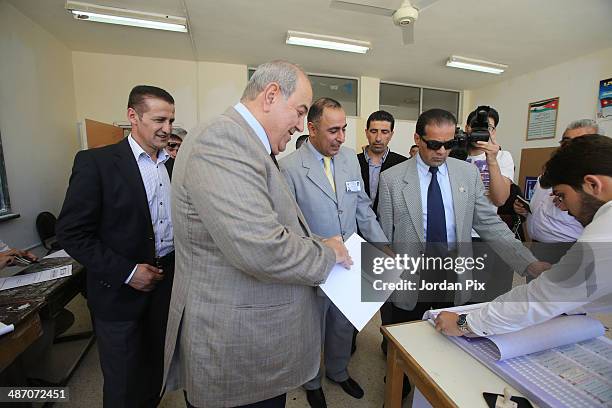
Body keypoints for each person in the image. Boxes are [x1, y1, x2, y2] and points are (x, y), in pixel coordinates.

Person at [163, 60, 352, 408]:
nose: (299, 125)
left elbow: (267, 225)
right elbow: (261, 248)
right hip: (236, 351)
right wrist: (328, 254)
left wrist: (317, 242)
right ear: (270, 95)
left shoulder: (246, 143)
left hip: (253, 345)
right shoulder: (223, 139)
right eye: (298, 112)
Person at [57, 85, 177, 408]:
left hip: (165, 289)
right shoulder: (95, 163)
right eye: (159, 120)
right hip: (117, 294)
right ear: (132, 116)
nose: (167, 129)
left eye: (171, 120)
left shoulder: (172, 167)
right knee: (123, 383)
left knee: (155, 370)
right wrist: (128, 271)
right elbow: (71, 232)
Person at [377, 108, 549, 324]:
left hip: (453, 273)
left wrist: (528, 262)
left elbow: (490, 224)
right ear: (417, 139)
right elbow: (383, 238)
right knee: (402, 338)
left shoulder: (467, 174)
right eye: (434, 144)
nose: (441, 151)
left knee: (447, 337)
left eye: (448, 144)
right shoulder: (391, 179)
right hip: (410, 275)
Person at [435, 134, 612, 336]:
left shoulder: (605, 231)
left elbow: (543, 298)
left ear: (593, 185)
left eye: (562, 195)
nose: (563, 208)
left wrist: (464, 323)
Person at [280, 98, 388, 408]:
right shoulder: (288, 168)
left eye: (344, 129)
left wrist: (381, 246)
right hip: (315, 261)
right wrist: (322, 244)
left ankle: (338, 371)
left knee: (344, 324)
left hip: (350, 260)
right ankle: (312, 381)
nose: (341, 138)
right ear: (311, 129)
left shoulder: (349, 161)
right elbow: (288, 225)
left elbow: (362, 207)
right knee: (314, 326)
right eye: (333, 130)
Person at [514, 120, 600, 256]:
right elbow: (541, 206)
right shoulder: (548, 172)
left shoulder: (597, 180)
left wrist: (575, 204)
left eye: (579, 143)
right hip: (537, 248)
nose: (570, 147)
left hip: (567, 252)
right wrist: (526, 210)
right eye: (566, 142)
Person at [357, 110, 408, 215]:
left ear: (391, 134)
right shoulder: (353, 162)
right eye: (374, 131)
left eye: (384, 132)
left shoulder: (402, 164)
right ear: (366, 133)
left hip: (389, 227)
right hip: (356, 227)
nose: (378, 138)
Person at [465, 106, 514, 207]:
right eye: (475, 125)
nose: (480, 130)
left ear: (493, 132)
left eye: (488, 127)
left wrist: (492, 161)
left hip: (484, 220)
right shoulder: (454, 154)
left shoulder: (502, 157)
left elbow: (500, 200)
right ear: (467, 128)